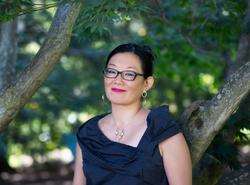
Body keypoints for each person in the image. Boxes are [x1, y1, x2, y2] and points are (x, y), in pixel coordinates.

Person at [72, 43, 192, 185]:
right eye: (111, 71)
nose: (117, 80)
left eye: (129, 74)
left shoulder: (164, 132)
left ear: (147, 83)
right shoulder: (88, 134)